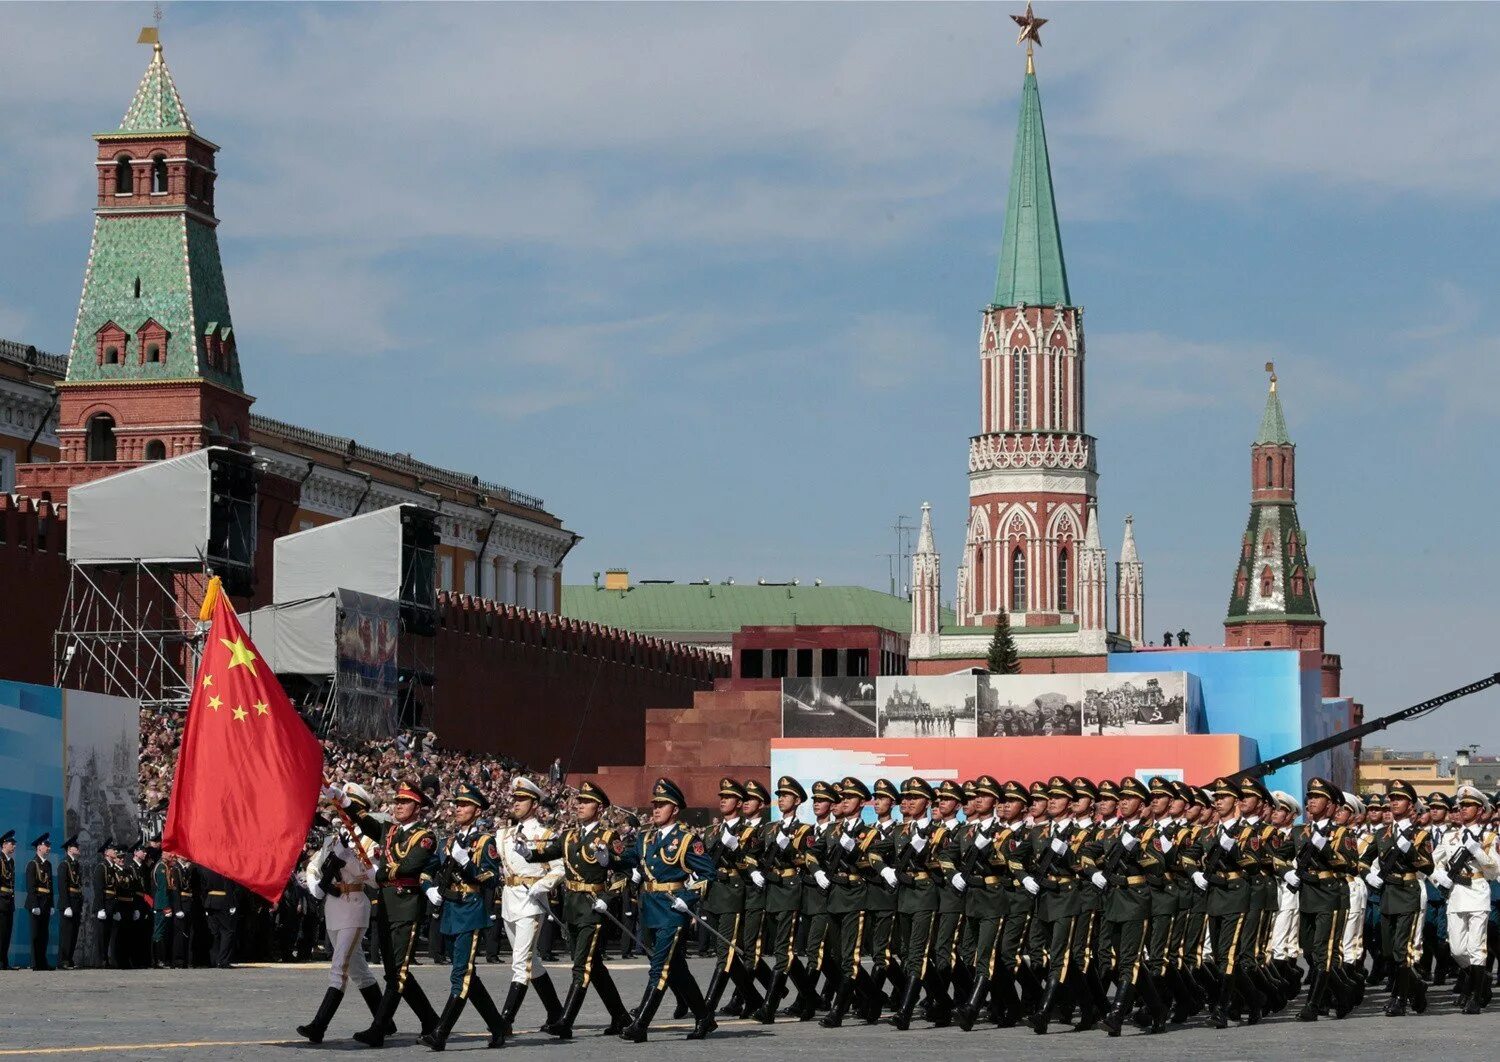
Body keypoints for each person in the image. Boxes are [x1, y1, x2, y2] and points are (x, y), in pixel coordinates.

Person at [523, 780, 632, 1038]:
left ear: (599, 808)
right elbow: (549, 852)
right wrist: (527, 853)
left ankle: (565, 1021)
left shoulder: (608, 837)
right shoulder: (570, 835)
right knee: (594, 967)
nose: (580, 805)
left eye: (587, 802)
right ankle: (620, 1016)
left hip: (592, 907)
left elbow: (623, 872)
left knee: (581, 966)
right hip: (572, 906)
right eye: (579, 801)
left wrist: (608, 897)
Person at [615, 777, 718, 1042]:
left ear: (675, 809)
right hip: (649, 909)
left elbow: (708, 873)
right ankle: (704, 1017)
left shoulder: (686, 839)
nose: (656, 809)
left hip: (673, 910)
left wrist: (689, 897)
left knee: (659, 968)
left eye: (662, 804)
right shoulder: (646, 838)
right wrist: (609, 858)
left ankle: (640, 1025)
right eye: (655, 804)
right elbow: (625, 858)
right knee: (676, 969)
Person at [349, 779, 443, 1047]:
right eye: (397, 801)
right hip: (387, 905)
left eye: (405, 802)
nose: (398, 805)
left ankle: (378, 1029)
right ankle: (430, 1020)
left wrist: (381, 874)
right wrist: (343, 801)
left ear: (417, 807)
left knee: (398, 972)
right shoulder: (390, 831)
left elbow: (410, 866)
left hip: (406, 907)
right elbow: (365, 822)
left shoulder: (424, 836)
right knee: (394, 972)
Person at [296, 783, 386, 1045]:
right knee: (359, 971)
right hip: (333, 905)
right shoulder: (334, 839)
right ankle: (385, 1021)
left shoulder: (369, 840)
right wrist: (315, 884)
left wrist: (351, 859)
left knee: (339, 968)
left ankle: (319, 1026)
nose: (342, 812)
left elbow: (374, 879)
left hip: (354, 905)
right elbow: (314, 865)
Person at [422, 781, 508, 1050]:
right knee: (467, 974)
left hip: (470, 910)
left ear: (477, 810)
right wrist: (428, 889)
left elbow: (491, 878)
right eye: (457, 804)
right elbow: (427, 869)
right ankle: (498, 1026)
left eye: (464, 805)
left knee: (460, 974)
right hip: (449, 910)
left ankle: (440, 1033)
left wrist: (466, 863)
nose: (458, 809)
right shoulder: (447, 841)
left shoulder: (484, 841)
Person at [492, 777, 566, 1036]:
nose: (516, 803)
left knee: (520, 963)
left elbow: (559, 868)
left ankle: (505, 1020)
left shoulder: (544, 835)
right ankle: (556, 1012)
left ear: (534, 804)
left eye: (522, 799)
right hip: (510, 899)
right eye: (515, 799)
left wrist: (543, 885)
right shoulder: (504, 834)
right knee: (531, 962)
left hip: (532, 901)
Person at [750, 776, 819, 1025]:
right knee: (784, 951)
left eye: (786, 796)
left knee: (783, 950)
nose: (781, 800)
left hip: (789, 890)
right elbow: (752, 854)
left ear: (797, 800)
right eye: (779, 796)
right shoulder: (769, 828)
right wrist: (754, 871)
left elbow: (807, 860)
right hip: (770, 890)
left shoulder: (805, 830)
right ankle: (811, 998)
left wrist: (788, 848)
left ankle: (769, 1007)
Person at [1429, 784, 1497, 1013]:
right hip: (1456, 895)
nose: (1464, 808)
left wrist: (1477, 851)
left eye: (1469, 805)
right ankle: (1481, 978)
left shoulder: (1488, 837)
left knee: (1476, 948)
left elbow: (1494, 871)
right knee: (1457, 950)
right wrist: (1440, 878)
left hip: (1477, 893)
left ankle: (1475, 997)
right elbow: (1432, 862)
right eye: (1462, 805)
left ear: (1480, 810)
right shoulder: (1450, 837)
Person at [57, 835, 84, 970]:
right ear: (69, 849)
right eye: (75, 847)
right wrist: (66, 905)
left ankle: (69, 958)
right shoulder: (64, 864)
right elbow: (62, 886)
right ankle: (63, 960)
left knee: (74, 933)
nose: (78, 848)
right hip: (68, 902)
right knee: (66, 933)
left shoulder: (75, 864)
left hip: (76, 902)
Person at [91, 838, 118, 968]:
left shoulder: (111, 868)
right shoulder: (101, 867)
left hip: (111, 904)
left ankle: (105, 959)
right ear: (106, 852)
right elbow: (99, 889)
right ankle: (100, 960)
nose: (115, 851)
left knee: (107, 934)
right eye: (113, 849)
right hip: (104, 904)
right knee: (101, 935)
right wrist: (101, 908)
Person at [0, 830, 16, 970]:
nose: (14, 846)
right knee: (1, 932)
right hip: (1, 901)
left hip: (9, 901)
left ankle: (4, 962)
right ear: (4, 844)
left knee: (7, 933)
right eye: (12, 843)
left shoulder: (11, 861)